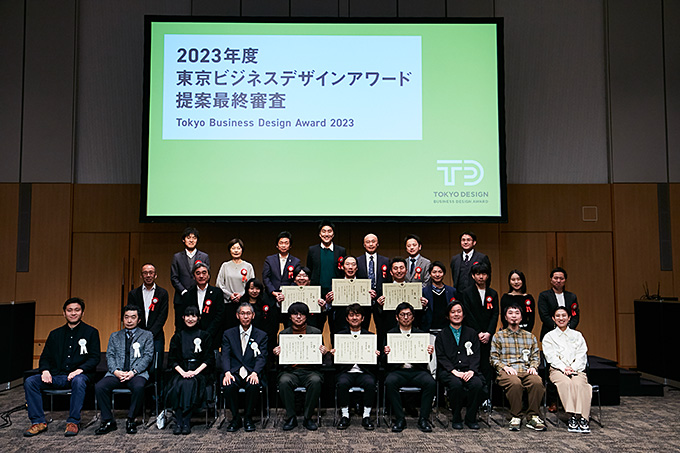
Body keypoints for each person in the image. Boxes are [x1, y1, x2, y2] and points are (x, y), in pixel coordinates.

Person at [23, 297, 100, 437]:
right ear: (64, 313)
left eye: (77, 310)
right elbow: (45, 357)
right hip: (56, 375)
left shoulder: (91, 332)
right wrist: (45, 371)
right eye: (69, 310)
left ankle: (73, 422)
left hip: (79, 375)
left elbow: (95, 358)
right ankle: (38, 422)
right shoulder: (54, 334)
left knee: (79, 380)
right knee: (30, 381)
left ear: (82, 313)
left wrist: (79, 370)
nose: (73, 313)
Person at [95, 305, 154, 435]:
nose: (129, 320)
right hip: (116, 373)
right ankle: (108, 420)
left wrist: (133, 371)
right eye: (126, 317)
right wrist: (115, 371)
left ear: (139, 320)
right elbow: (109, 355)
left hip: (137, 373)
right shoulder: (115, 336)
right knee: (100, 387)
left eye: (133, 317)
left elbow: (148, 356)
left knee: (139, 387)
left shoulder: (147, 335)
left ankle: (131, 419)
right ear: (122, 319)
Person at [273, 302, 329, 431]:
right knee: (283, 381)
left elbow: (321, 358)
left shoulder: (315, 332)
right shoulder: (284, 334)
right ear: (290, 317)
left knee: (315, 381)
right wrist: (276, 353)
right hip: (291, 371)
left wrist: (324, 351)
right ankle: (291, 417)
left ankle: (308, 417)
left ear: (307, 316)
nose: (298, 317)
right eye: (295, 314)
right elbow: (280, 359)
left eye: (302, 314)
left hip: (310, 370)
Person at [489, 304, 546, 431]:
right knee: (515, 383)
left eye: (517, 313)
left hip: (525, 370)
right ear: (505, 317)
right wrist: (504, 367)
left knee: (537, 382)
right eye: (510, 313)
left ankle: (533, 416)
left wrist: (533, 367)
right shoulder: (498, 336)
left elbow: (536, 357)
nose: (513, 316)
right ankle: (516, 416)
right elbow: (493, 358)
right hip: (507, 371)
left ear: (521, 317)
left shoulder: (530, 336)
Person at [383, 302, 436, 433]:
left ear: (413, 317)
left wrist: (429, 353)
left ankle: (423, 419)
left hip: (417, 371)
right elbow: (383, 362)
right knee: (390, 382)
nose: (406, 317)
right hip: (398, 370)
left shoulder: (420, 334)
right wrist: (386, 353)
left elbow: (426, 361)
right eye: (402, 315)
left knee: (430, 382)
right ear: (397, 317)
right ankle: (400, 419)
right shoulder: (390, 334)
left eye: (409, 315)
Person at [542, 306, 592, 433]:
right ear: (553, 318)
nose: (561, 318)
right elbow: (551, 357)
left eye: (564, 315)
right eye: (557, 316)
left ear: (569, 318)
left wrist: (573, 368)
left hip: (577, 369)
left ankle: (583, 418)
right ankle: (572, 416)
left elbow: (582, 354)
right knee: (566, 383)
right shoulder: (549, 337)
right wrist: (564, 368)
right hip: (557, 370)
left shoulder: (577, 335)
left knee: (580, 384)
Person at [166, 306, 214, 435]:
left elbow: (209, 359)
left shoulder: (205, 335)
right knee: (178, 383)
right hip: (181, 371)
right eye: (188, 316)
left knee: (188, 383)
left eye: (193, 316)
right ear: (183, 318)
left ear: (198, 318)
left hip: (200, 372)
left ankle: (185, 421)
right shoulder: (177, 336)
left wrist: (195, 372)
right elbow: (172, 360)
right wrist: (183, 372)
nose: (190, 319)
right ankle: (180, 421)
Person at [435, 301, 483, 430]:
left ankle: (471, 417)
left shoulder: (472, 333)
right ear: (448, 315)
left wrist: (472, 370)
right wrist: (454, 371)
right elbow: (441, 357)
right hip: (449, 371)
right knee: (456, 384)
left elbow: (476, 355)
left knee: (477, 384)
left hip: (469, 370)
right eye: (453, 312)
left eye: (459, 311)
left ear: (463, 314)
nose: (456, 314)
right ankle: (456, 417)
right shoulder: (442, 335)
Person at [221, 302, 268, 432]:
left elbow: (261, 357)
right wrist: (227, 372)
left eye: (248, 313)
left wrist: (255, 372)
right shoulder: (228, 334)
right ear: (237, 315)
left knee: (253, 385)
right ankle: (236, 418)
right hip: (234, 372)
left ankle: (248, 417)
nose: (245, 316)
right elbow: (225, 355)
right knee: (228, 385)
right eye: (242, 313)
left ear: (253, 315)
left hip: (252, 371)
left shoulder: (261, 335)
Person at [331, 304, 379, 430]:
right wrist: (334, 354)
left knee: (370, 382)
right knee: (342, 383)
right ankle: (345, 415)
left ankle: (366, 416)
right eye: (351, 315)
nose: (354, 318)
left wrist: (376, 355)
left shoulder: (370, 336)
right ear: (347, 318)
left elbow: (375, 363)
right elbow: (335, 363)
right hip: (346, 371)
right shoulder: (340, 336)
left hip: (364, 371)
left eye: (357, 315)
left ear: (363, 318)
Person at [461, 262, 498, 392]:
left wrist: (488, 333)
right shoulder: (466, 293)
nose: (481, 277)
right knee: (472, 363)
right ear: (473, 276)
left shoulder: (493, 293)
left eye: (483, 274)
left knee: (486, 365)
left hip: (488, 336)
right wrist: (478, 332)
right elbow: (468, 314)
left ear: (487, 276)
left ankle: (486, 395)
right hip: (472, 334)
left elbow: (495, 314)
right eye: (478, 274)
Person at [306, 220, 347, 332]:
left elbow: (343, 272)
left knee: (336, 327)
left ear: (333, 234)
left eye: (329, 231)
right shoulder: (312, 250)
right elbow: (309, 270)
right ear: (320, 234)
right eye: (323, 231)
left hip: (336, 295)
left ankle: (335, 349)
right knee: (316, 328)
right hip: (317, 295)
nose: (326, 234)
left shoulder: (341, 251)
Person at [376, 257, 428, 344]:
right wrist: (379, 306)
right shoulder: (383, 290)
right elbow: (380, 316)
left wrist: (424, 306)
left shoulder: (415, 290)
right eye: (395, 268)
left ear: (406, 270)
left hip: (411, 331)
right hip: (390, 330)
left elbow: (419, 315)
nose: (399, 271)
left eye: (401, 268)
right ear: (391, 272)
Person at [127, 263, 169, 372]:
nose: (148, 275)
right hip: (138, 334)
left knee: (155, 367)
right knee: (137, 363)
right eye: (145, 273)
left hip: (156, 335)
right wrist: (142, 334)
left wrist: (150, 334)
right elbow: (131, 314)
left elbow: (162, 316)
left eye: (151, 273)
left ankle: (156, 388)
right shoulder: (133, 294)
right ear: (141, 276)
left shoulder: (162, 293)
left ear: (155, 275)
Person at [171, 227, 210, 331]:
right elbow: (174, 277)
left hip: (199, 297)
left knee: (199, 326)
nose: (191, 240)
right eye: (188, 238)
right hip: (181, 298)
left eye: (194, 238)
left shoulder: (204, 256)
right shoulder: (177, 257)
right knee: (180, 327)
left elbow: (206, 277)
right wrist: (184, 291)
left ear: (197, 240)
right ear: (184, 240)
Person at [180, 262, 225, 351]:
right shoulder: (188, 294)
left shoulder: (217, 292)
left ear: (208, 275)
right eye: (198, 273)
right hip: (192, 335)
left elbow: (220, 315)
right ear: (194, 276)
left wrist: (208, 333)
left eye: (204, 273)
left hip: (212, 336)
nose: (201, 276)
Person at [216, 238, 255, 330]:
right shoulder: (225, 265)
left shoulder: (248, 266)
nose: (236, 251)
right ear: (229, 250)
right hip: (228, 303)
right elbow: (219, 284)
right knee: (229, 328)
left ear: (242, 250)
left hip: (244, 303)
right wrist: (230, 295)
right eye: (233, 248)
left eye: (238, 248)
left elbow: (252, 286)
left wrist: (241, 295)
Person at [356, 233, 390, 329]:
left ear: (377, 244)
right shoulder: (357, 261)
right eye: (368, 242)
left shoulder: (386, 261)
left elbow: (388, 281)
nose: (371, 244)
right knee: (363, 328)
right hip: (363, 301)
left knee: (382, 329)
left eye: (373, 242)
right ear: (364, 245)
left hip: (381, 301)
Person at [324, 255, 365, 333]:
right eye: (347, 264)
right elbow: (329, 308)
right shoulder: (335, 284)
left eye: (353, 264)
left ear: (357, 268)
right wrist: (328, 302)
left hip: (360, 323)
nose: (350, 267)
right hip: (339, 322)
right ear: (342, 267)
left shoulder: (364, 284)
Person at [538, 267, 580, 340]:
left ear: (565, 280)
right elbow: (544, 315)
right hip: (550, 332)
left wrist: (567, 329)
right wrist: (558, 328)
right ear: (551, 280)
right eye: (556, 278)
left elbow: (575, 315)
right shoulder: (544, 295)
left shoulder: (571, 296)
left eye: (561, 278)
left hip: (569, 334)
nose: (558, 281)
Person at [243, 278, 278, 356]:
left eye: (257, 289)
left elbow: (272, 322)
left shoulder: (266, 302)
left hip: (263, 337)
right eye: (251, 288)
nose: (254, 291)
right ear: (247, 289)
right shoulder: (242, 302)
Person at [262, 231, 301, 302]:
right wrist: (273, 292)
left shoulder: (296, 261)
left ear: (290, 246)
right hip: (271, 295)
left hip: (289, 296)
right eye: (281, 243)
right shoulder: (269, 259)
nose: (283, 246)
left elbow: (296, 280)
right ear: (277, 245)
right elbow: (266, 277)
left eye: (286, 243)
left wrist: (287, 293)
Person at [420, 261, 457, 332]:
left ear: (444, 274)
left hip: (448, 330)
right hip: (429, 329)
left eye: (440, 272)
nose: (437, 275)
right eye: (434, 272)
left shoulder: (452, 291)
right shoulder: (424, 291)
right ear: (430, 274)